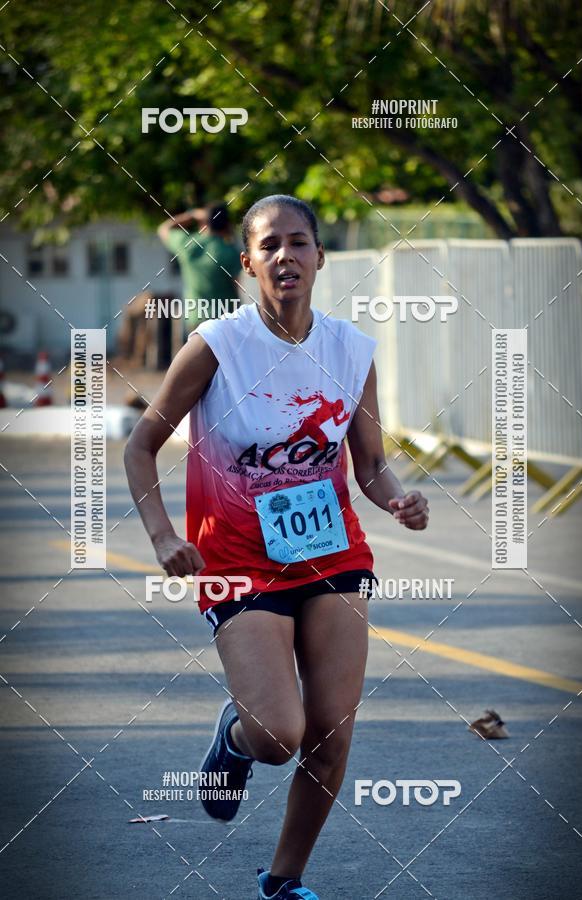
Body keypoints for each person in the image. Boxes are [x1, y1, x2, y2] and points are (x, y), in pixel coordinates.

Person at [124, 194, 429, 900]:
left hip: (333, 554)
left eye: (299, 242)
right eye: (270, 246)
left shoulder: (351, 351)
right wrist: (165, 535)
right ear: (249, 261)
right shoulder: (217, 346)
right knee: (278, 735)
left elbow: (371, 463)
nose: (286, 256)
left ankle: (284, 881)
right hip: (237, 560)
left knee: (331, 736)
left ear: (320, 256)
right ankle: (236, 737)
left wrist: (396, 498)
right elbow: (142, 447)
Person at [157, 202, 241, 330]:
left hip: (196, 318)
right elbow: (239, 286)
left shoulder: (187, 245)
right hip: (226, 319)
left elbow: (164, 229)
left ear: (204, 222)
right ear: (227, 225)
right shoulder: (231, 252)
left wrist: (191, 215)